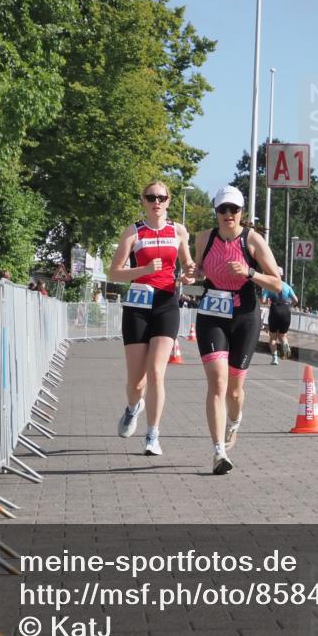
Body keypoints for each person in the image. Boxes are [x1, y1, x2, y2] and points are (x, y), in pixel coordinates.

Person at [193, 186, 281, 475]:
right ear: (216, 212)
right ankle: (218, 451)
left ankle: (235, 421)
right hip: (212, 314)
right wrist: (191, 274)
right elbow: (199, 272)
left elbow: (277, 283)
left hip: (244, 316)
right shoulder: (204, 239)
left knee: (234, 390)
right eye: (223, 210)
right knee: (217, 383)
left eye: (234, 210)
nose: (228, 215)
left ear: (242, 213)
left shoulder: (253, 241)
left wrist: (250, 273)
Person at [108, 181, 194, 456]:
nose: (156, 201)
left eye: (161, 197)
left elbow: (189, 267)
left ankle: (152, 436)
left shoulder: (178, 231)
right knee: (136, 382)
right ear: (143, 201)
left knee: (157, 372)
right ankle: (133, 408)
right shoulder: (133, 232)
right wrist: (143, 269)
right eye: (151, 197)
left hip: (166, 303)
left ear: (169, 201)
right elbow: (114, 273)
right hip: (137, 304)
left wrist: (189, 274)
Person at [262, 269, 299, 365]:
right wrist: (289, 305)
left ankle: (275, 358)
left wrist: (267, 301)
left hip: (275, 310)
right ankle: (285, 344)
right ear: (282, 275)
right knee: (283, 336)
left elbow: (263, 300)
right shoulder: (287, 286)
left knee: (273, 337)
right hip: (286, 310)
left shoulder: (269, 286)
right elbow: (296, 300)